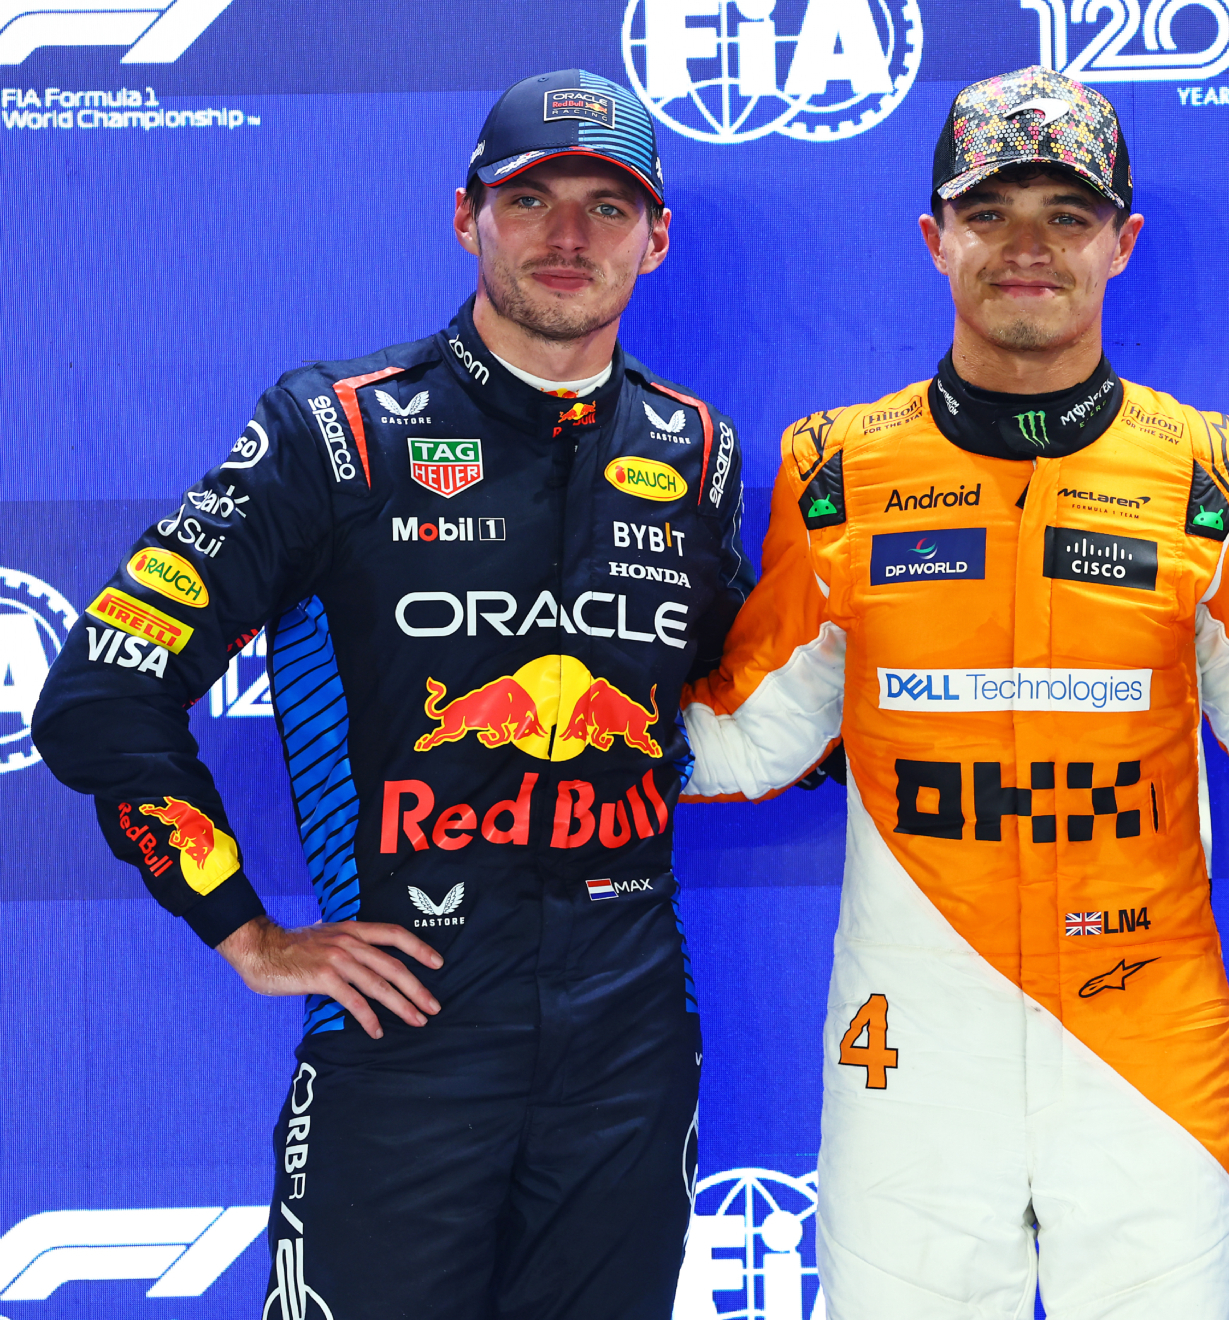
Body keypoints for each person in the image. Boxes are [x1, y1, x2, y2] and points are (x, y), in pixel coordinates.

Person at [32, 69, 750, 1320]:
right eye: (531, 199)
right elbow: (101, 694)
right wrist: (246, 932)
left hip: (631, 1055)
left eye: (607, 204)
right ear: (466, 216)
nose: (569, 237)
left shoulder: (700, 452)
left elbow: (753, 706)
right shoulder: (338, 431)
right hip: (404, 1043)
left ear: (657, 237)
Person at [680, 66, 1229, 1320]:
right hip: (909, 1049)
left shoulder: (1217, 473)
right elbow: (739, 742)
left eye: (1067, 216)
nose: (1027, 249)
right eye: (990, 212)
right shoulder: (835, 471)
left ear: (1123, 244)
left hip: (1146, 1044)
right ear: (935, 238)